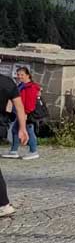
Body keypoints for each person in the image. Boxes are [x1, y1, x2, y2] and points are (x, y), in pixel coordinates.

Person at [0, 74, 30, 218]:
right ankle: (4, 204)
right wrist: (22, 128)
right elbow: (19, 107)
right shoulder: (7, 82)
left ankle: (4, 204)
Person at [2, 67, 40, 160]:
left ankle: (33, 151)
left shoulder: (30, 87)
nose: (19, 77)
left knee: (29, 131)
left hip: (27, 114)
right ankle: (14, 151)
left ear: (28, 75)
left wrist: (25, 113)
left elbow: (30, 103)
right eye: (18, 74)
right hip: (21, 113)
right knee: (15, 130)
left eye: (22, 75)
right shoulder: (21, 86)